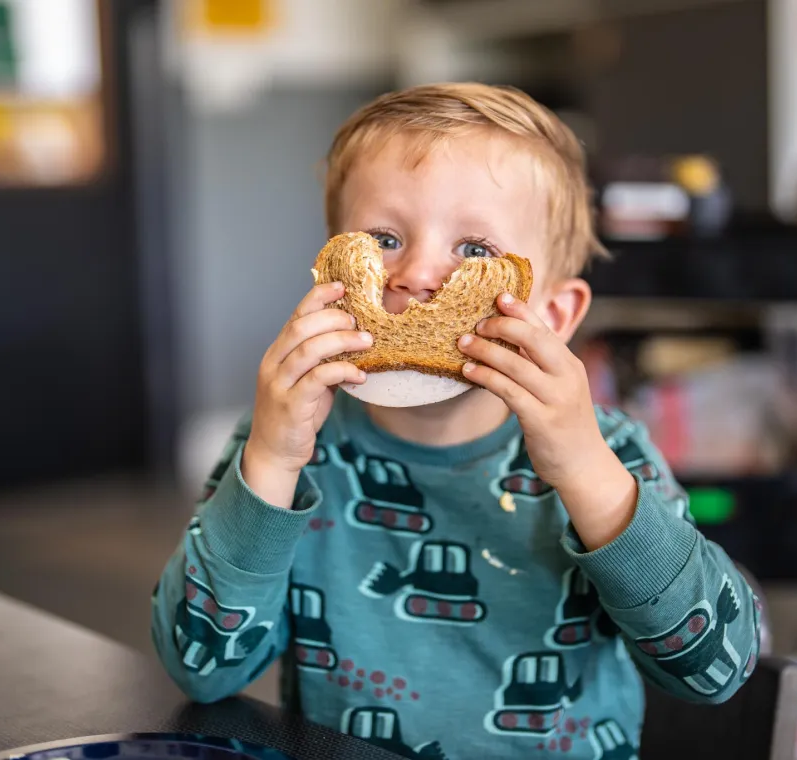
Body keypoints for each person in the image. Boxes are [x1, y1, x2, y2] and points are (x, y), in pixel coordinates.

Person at [152, 83, 762, 759]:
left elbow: (719, 668)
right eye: (384, 239)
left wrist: (587, 473)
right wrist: (271, 460)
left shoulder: (609, 455)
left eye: (473, 250)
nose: (416, 274)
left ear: (554, 315)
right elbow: (199, 669)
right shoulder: (286, 444)